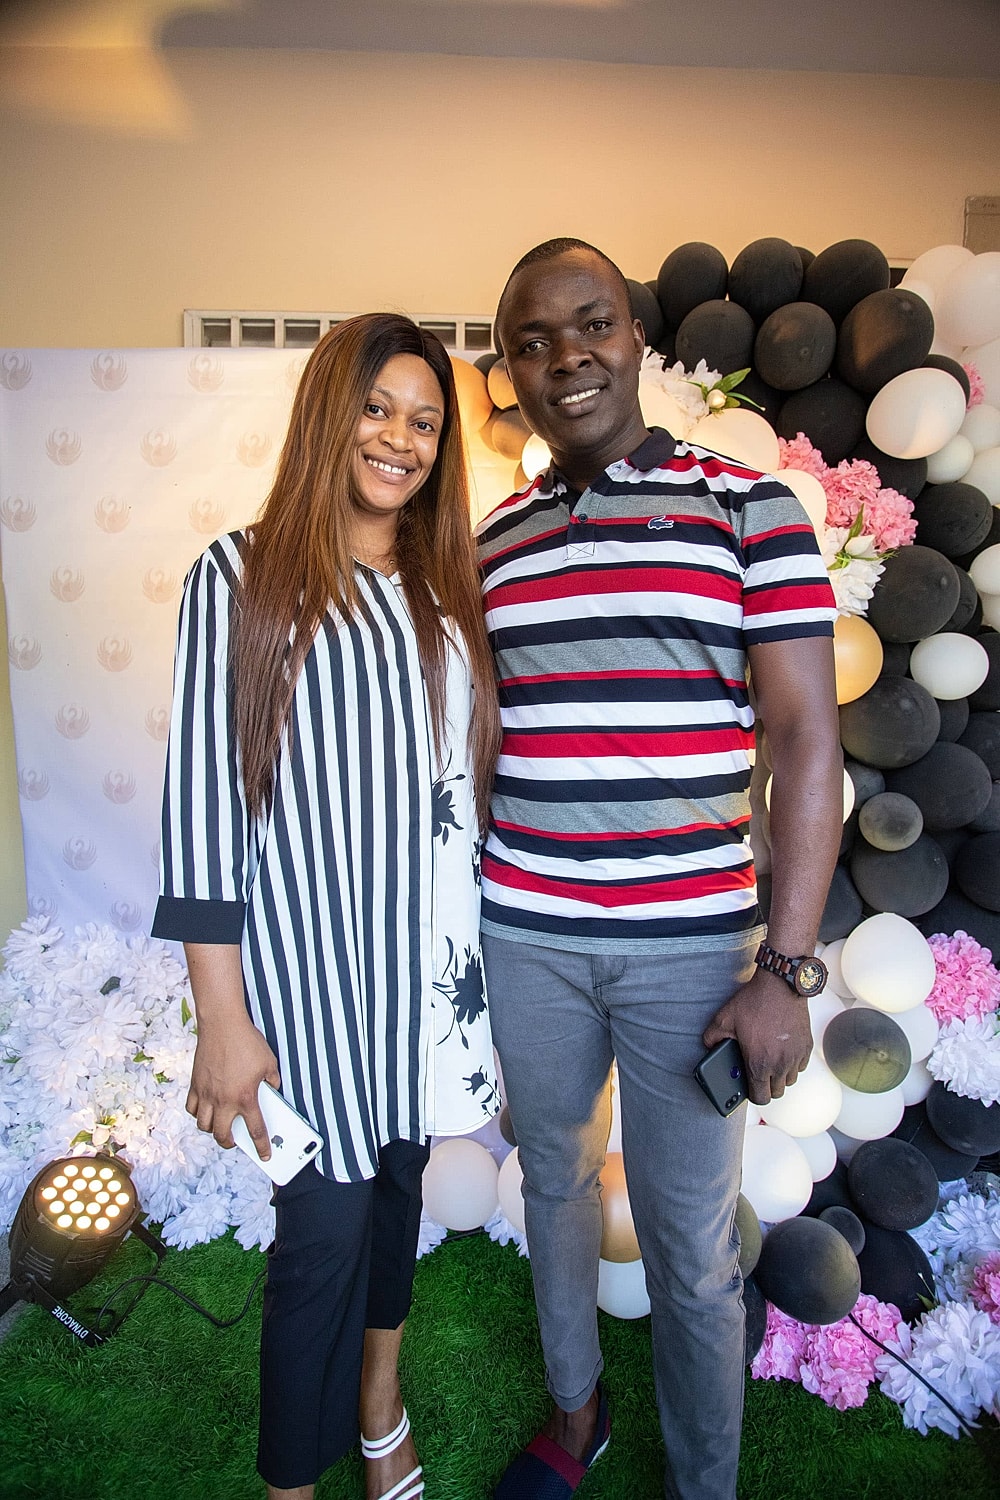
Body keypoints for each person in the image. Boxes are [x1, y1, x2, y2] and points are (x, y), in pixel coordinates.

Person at [476, 239, 842, 1500]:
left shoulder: (748, 507)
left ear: (633, 336)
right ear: (507, 369)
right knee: (557, 1186)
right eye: (532, 339)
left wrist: (784, 968)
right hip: (524, 934)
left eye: (587, 324)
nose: (563, 354)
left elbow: (806, 739)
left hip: (689, 946)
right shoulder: (493, 542)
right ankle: (577, 1418)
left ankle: (703, 1486)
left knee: (691, 1252)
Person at [152, 313, 502, 1500]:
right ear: (327, 414)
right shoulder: (243, 575)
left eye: (423, 420)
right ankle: (287, 1485)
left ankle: (378, 1407)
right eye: (376, 408)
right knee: (320, 1243)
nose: (399, 439)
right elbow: (204, 805)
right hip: (308, 985)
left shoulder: (447, 595)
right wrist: (221, 1017)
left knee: (397, 1194)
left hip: (427, 978)